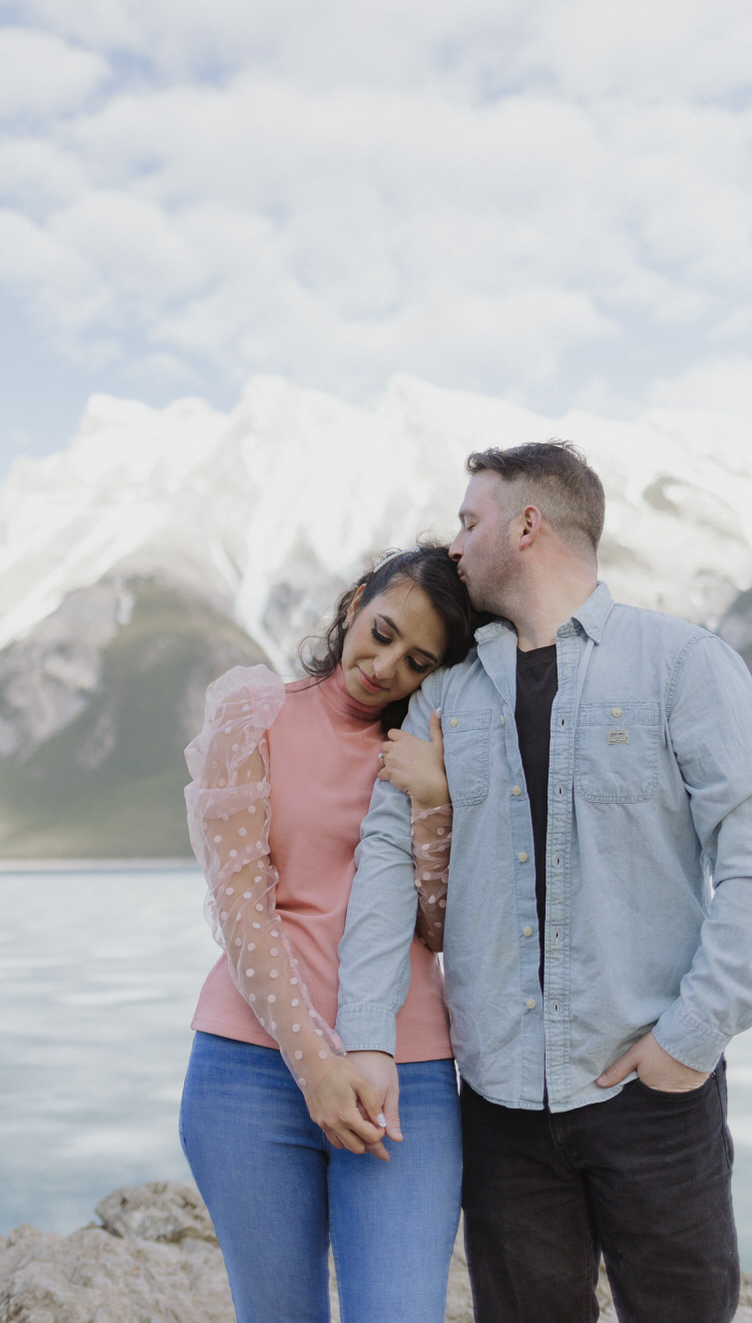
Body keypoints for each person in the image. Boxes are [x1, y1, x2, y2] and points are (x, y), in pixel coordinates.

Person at [336, 440, 752, 1323]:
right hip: (500, 1104)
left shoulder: (685, 666)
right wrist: (365, 1034)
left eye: (469, 521)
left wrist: (690, 1038)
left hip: (652, 1092)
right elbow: (386, 867)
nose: (453, 544)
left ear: (527, 524)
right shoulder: (443, 697)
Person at [179, 544, 477, 1323]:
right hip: (249, 1070)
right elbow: (241, 906)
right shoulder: (252, 715)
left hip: (403, 1075)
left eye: (416, 661)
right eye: (379, 633)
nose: (384, 667)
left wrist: (436, 800)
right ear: (353, 605)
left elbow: (439, 926)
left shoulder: (433, 750)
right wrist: (317, 1067)